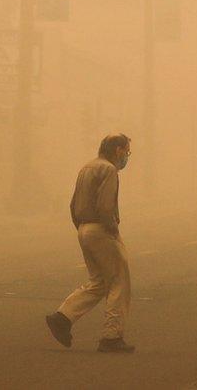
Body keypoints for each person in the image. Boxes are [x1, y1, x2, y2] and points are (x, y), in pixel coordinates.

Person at [45, 134, 135, 353]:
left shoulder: (87, 168)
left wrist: (83, 229)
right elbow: (106, 207)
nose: (127, 156)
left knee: (99, 281)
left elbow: (73, 204)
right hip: (101, 229)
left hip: (84, 228)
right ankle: (111, 336)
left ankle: (63, 318)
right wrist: (112, 229)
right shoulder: (109, 170)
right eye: (127, 151)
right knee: (119, 281)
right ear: (117, 151)